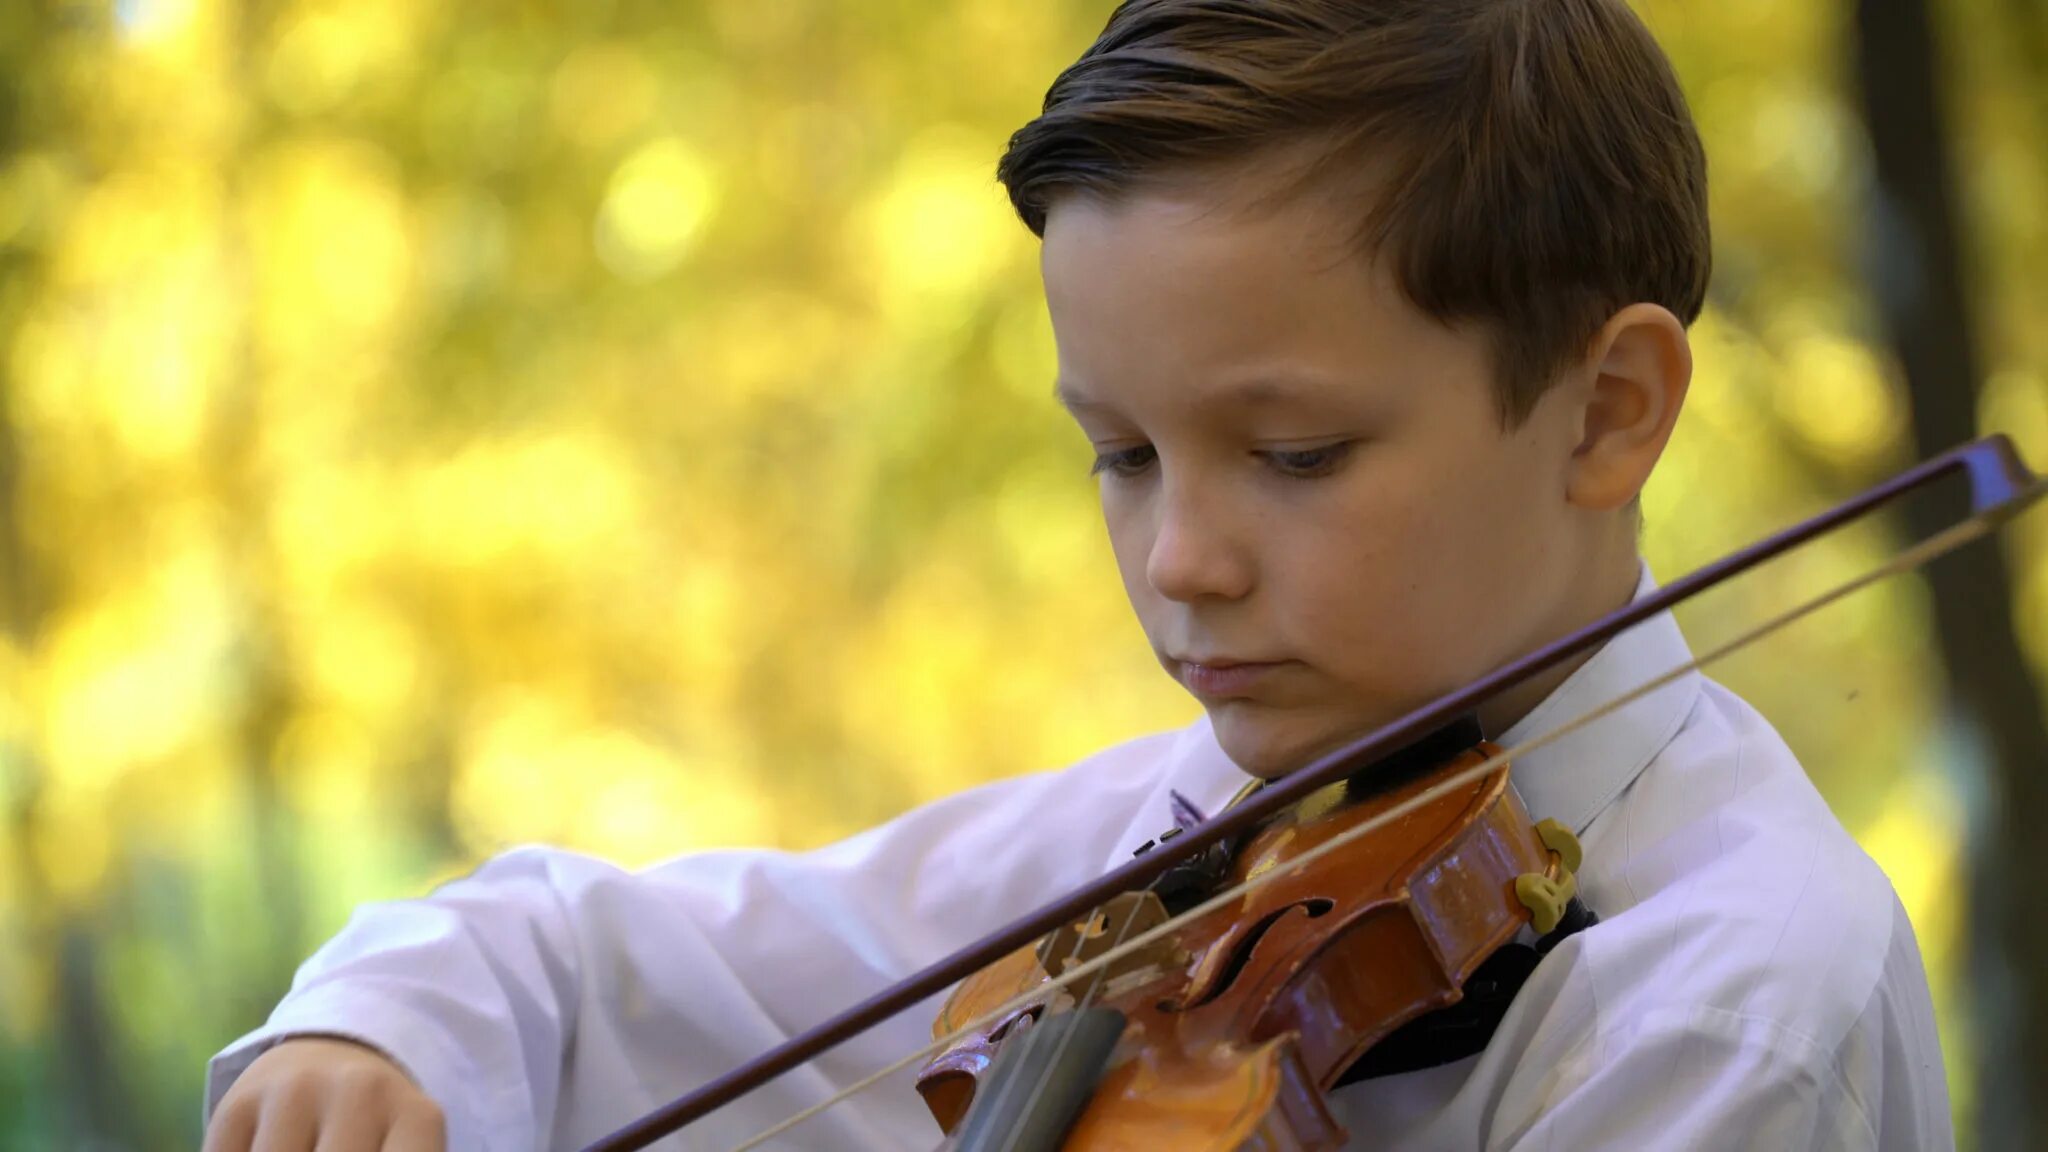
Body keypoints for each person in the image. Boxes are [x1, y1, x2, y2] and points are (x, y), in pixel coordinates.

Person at [201, 1, 1955, 1149]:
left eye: (1294, 457)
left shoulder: (1735, 1003)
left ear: (1609, 412)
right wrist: (383, 1038)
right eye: (1121, 455)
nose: (1178, 560)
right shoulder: (1188, 880)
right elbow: (582, 958)